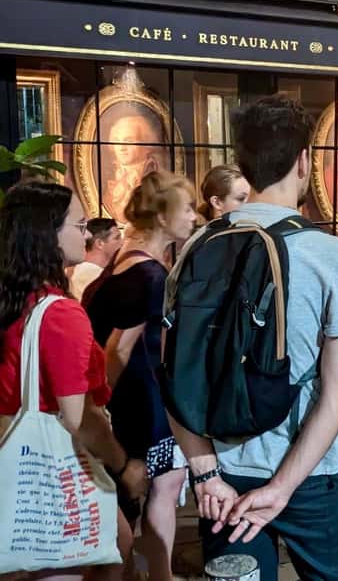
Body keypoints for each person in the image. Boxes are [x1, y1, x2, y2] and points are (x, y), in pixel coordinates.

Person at [167, 96, 338, 581]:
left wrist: (205, 472)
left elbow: (176, 375)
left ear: (243, 164)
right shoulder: (330, 256)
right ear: (304, 163)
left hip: (224, 478)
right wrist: (282, 488)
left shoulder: (195, 250)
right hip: (309, 476)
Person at [0, 182, 148, 581]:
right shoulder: (60, 314)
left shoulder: (12, 303)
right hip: (52, 472)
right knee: (108, 550)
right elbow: (77, 416)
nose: (86, 235)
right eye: (80, 224)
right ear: (47, 233)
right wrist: (122, 464)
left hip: (12, 463)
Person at [83, 171, 196, 581]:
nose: (193, 216)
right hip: (141, 402)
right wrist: (100, 400)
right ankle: (161, 575)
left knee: (141, 492)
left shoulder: (119, 267)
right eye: (186, 208)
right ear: (163, 216)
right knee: (163, 485)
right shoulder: (149, 276)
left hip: (127, 399)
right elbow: (119, 347)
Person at [68, 217, 122, 300]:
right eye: (117, 238)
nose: (122, 243)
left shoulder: (96, 273)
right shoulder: (92, 274)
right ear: (100, 243)